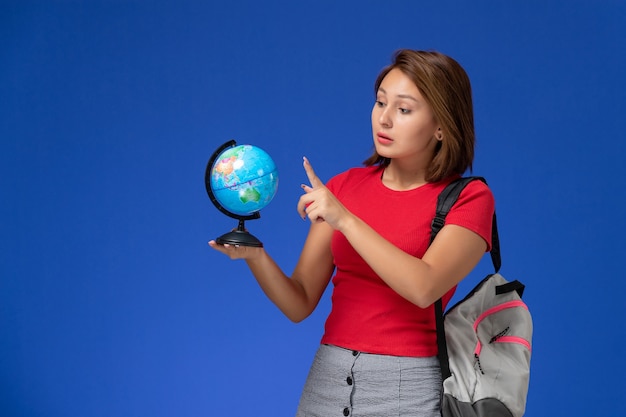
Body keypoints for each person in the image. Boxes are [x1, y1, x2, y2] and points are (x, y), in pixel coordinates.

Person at [209, 49, 494, 417]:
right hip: (327, 378)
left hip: (407, 389)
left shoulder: (469, 198)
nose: (384, 119)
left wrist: (345, 219)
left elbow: (424, 287)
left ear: (442, 126)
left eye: (404, 110)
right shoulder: (345, 187)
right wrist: (255, 256)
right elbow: (300, 302)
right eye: (380, 103)